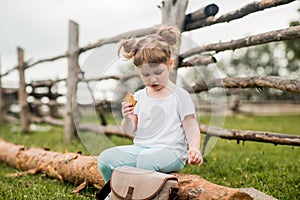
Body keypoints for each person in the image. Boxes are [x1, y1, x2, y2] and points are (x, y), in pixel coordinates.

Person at [98, 26, 203, 183]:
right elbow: (130, 130)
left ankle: (138, 194)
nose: (152, 79)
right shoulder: (138, 96)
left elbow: (191, 126)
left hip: (171, 152)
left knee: (145, 161)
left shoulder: (180, 96)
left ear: (170, 64)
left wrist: (194, 148)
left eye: (158, 73)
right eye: (145, 74)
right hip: (141, 149)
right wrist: (127, 118)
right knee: (105, 159)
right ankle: (116, 193)